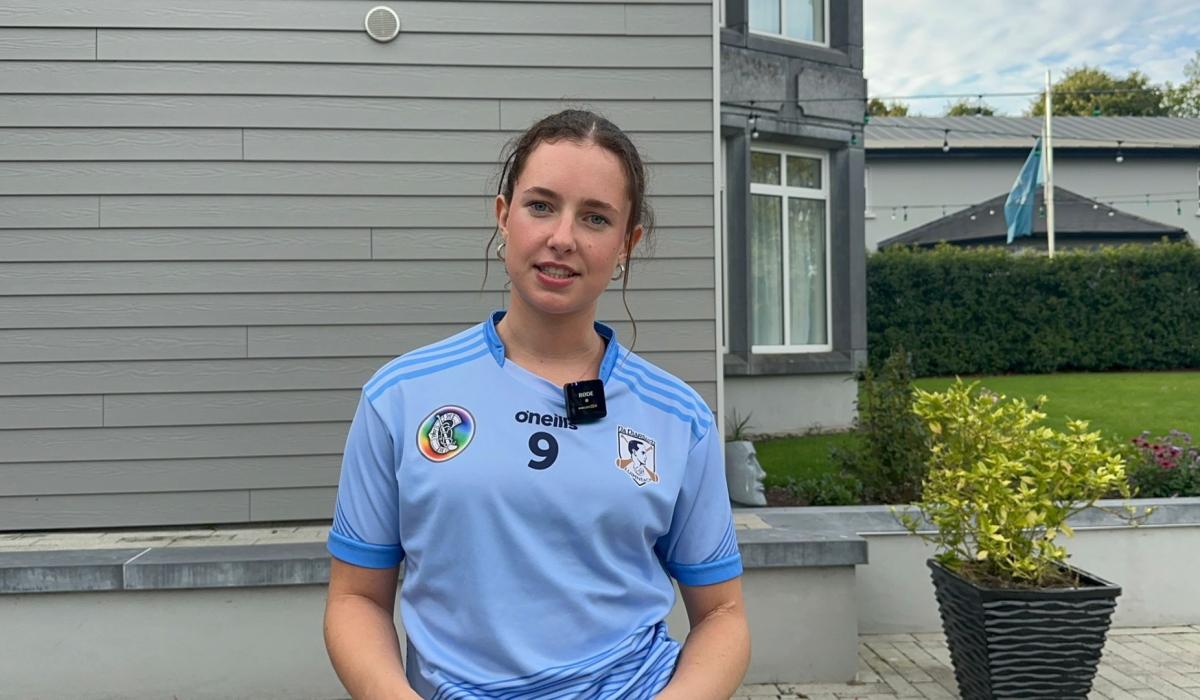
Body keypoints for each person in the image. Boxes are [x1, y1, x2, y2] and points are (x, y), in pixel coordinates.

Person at [323, 109, 750, 700]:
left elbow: (723, 612)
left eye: (595, 218)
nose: (563, 238)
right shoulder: (399, 397)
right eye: (541, 206)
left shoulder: (680, 419)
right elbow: (355, 598)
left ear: (627, 244)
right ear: (504, 215)